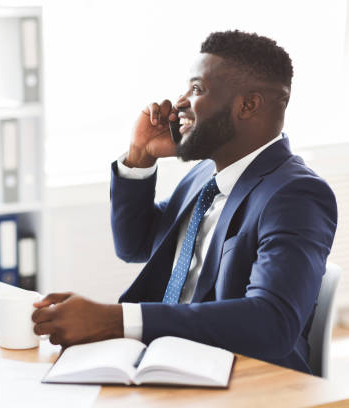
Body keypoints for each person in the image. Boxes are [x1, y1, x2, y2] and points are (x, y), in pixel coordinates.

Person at [31, 30, 337, 374]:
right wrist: (140, 156)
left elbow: (272, 322)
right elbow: (137, 245)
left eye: (196, 89)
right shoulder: (205, 174)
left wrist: (115, 320)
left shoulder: (295, 195)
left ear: (247, 105)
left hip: (245, 378)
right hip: (171, 363)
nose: (178, 103)